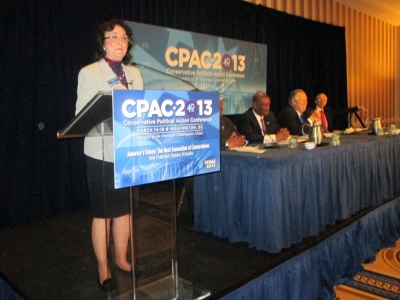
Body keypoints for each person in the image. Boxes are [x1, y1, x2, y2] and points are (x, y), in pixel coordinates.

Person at [75, 19, 143, 292]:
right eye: (113, 37)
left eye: (124, 38)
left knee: (124, 211)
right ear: (102, 42)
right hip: (101, 151)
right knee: (104, 213)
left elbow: (140, 109)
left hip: (128, 149)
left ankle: (122, 259)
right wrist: (110, 96)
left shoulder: (136, 74)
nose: (119, 42)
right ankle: (103, 267)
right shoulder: (90, 72)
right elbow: (82, 114)